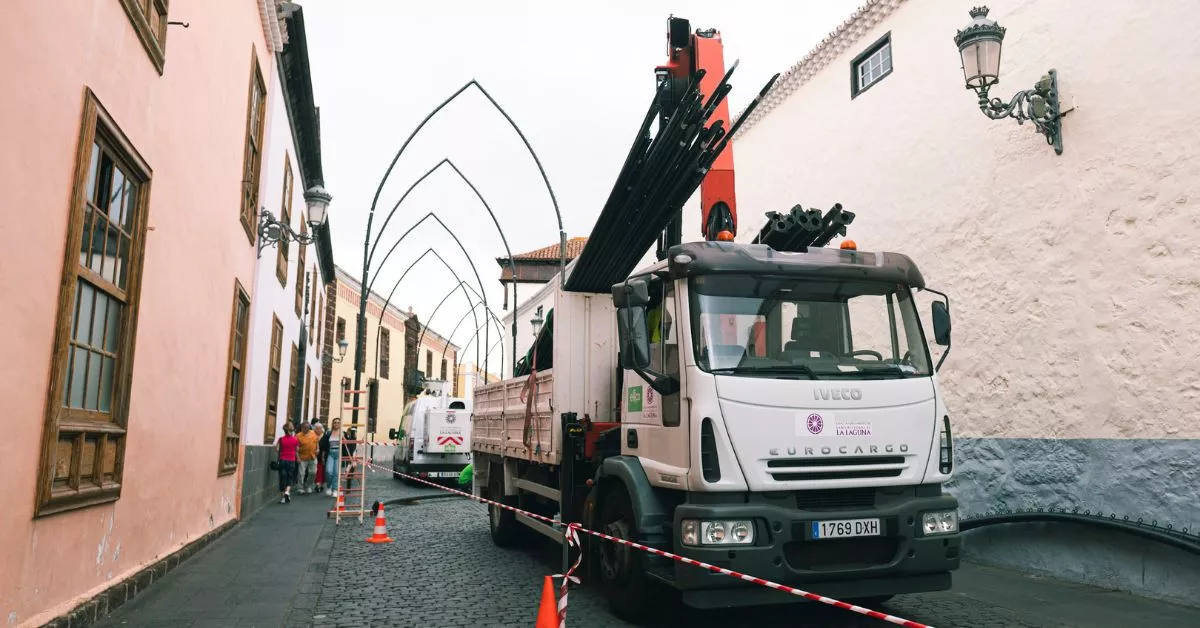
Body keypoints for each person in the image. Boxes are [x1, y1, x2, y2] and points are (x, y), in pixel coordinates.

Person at [276, 422, 299, 504]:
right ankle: (287, 492)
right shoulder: (295, 439)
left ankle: (283, 498)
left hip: (282, 460)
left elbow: (277, 449)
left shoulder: (281, 439)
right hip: (291, 460)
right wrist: (298, 458)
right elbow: (297, 450)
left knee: (282, 478)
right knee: (290, 477)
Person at [295, 421, 319, 494]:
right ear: (302, 428)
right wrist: (298, 458)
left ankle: (308, 485)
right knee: (301, 474)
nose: (306, 429)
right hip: (302, 457)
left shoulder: (313, 433)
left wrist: (318, 449)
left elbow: (317, 443)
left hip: (313, 457)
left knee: (313, 472)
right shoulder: (298, 436)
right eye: (305, 428)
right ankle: (300, 488)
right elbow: (296, 448)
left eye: (308, 428)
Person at [321, 418, 342, 496]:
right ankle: (329, 486)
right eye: (335, 422)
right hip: (330, 453)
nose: (336, 424)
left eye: (338, 422)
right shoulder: (328, 433)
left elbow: (347, 444)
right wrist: (323, 455)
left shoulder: (342, 433)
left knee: (336, 472)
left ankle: (335, 489)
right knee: (328, 471)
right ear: (332, 424)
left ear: (340, 424)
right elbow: (324, 444)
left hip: (339, 453)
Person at [313, 422, 326, 493]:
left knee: (321, 471)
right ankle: (317, 484)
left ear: (322, 429)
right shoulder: (312, 435)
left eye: (319, 428)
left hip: (322, 456)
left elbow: (326, 446)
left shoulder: (325, 436)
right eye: (316, 428)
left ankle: (320, 484)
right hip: (313, 456)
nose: (318, 430)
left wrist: (324, 456)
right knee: (315, 471)